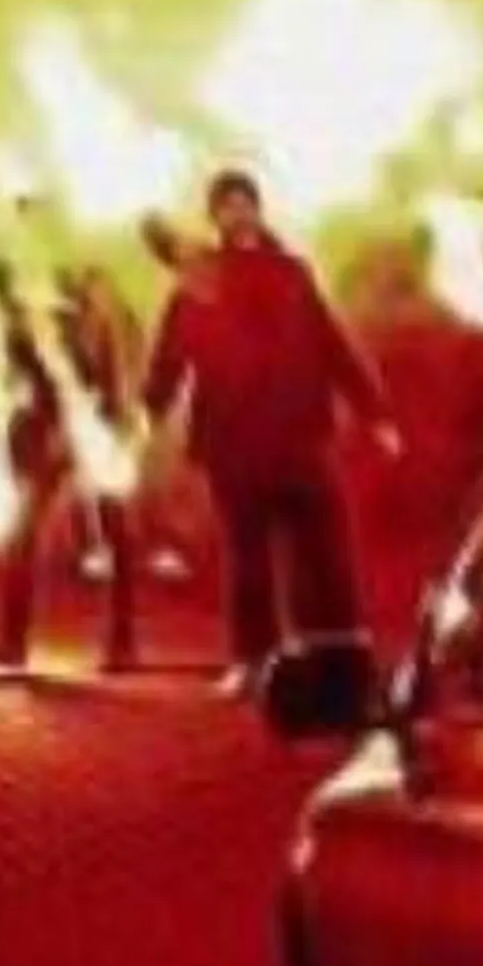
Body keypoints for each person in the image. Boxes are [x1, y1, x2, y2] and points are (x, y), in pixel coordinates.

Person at [142, 169, 401, 696]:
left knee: (327, 555)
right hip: (234, 446)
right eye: (226, 206)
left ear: (258, 210)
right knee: (248, 561)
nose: (238, 213)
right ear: (215, 218)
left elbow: (332, 344)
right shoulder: (199, 283)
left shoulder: (292, 274)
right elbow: (171, 358)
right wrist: (148, 409)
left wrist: (375, 413)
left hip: (301, 438)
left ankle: (337, 653)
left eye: (245, 203)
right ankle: (252, 659)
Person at [0, 253, 144, 676]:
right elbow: (17, 376)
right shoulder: (24, 308)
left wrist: (113, 424)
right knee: (27, 532)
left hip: (93, 429)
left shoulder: (92, 305)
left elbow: (108, 371)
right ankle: (12, 638)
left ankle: (122, 641)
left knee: (116, 532)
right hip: (48, 430)